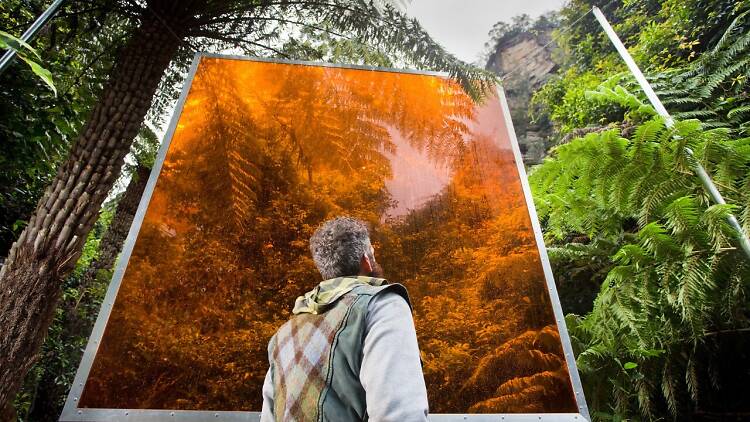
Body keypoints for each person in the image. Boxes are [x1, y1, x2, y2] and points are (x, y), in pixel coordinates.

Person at [260, 216, 429, 421]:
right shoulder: (382, 306)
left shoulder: (285, 332)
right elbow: (400, 414)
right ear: (366, 260)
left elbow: (269, 416)